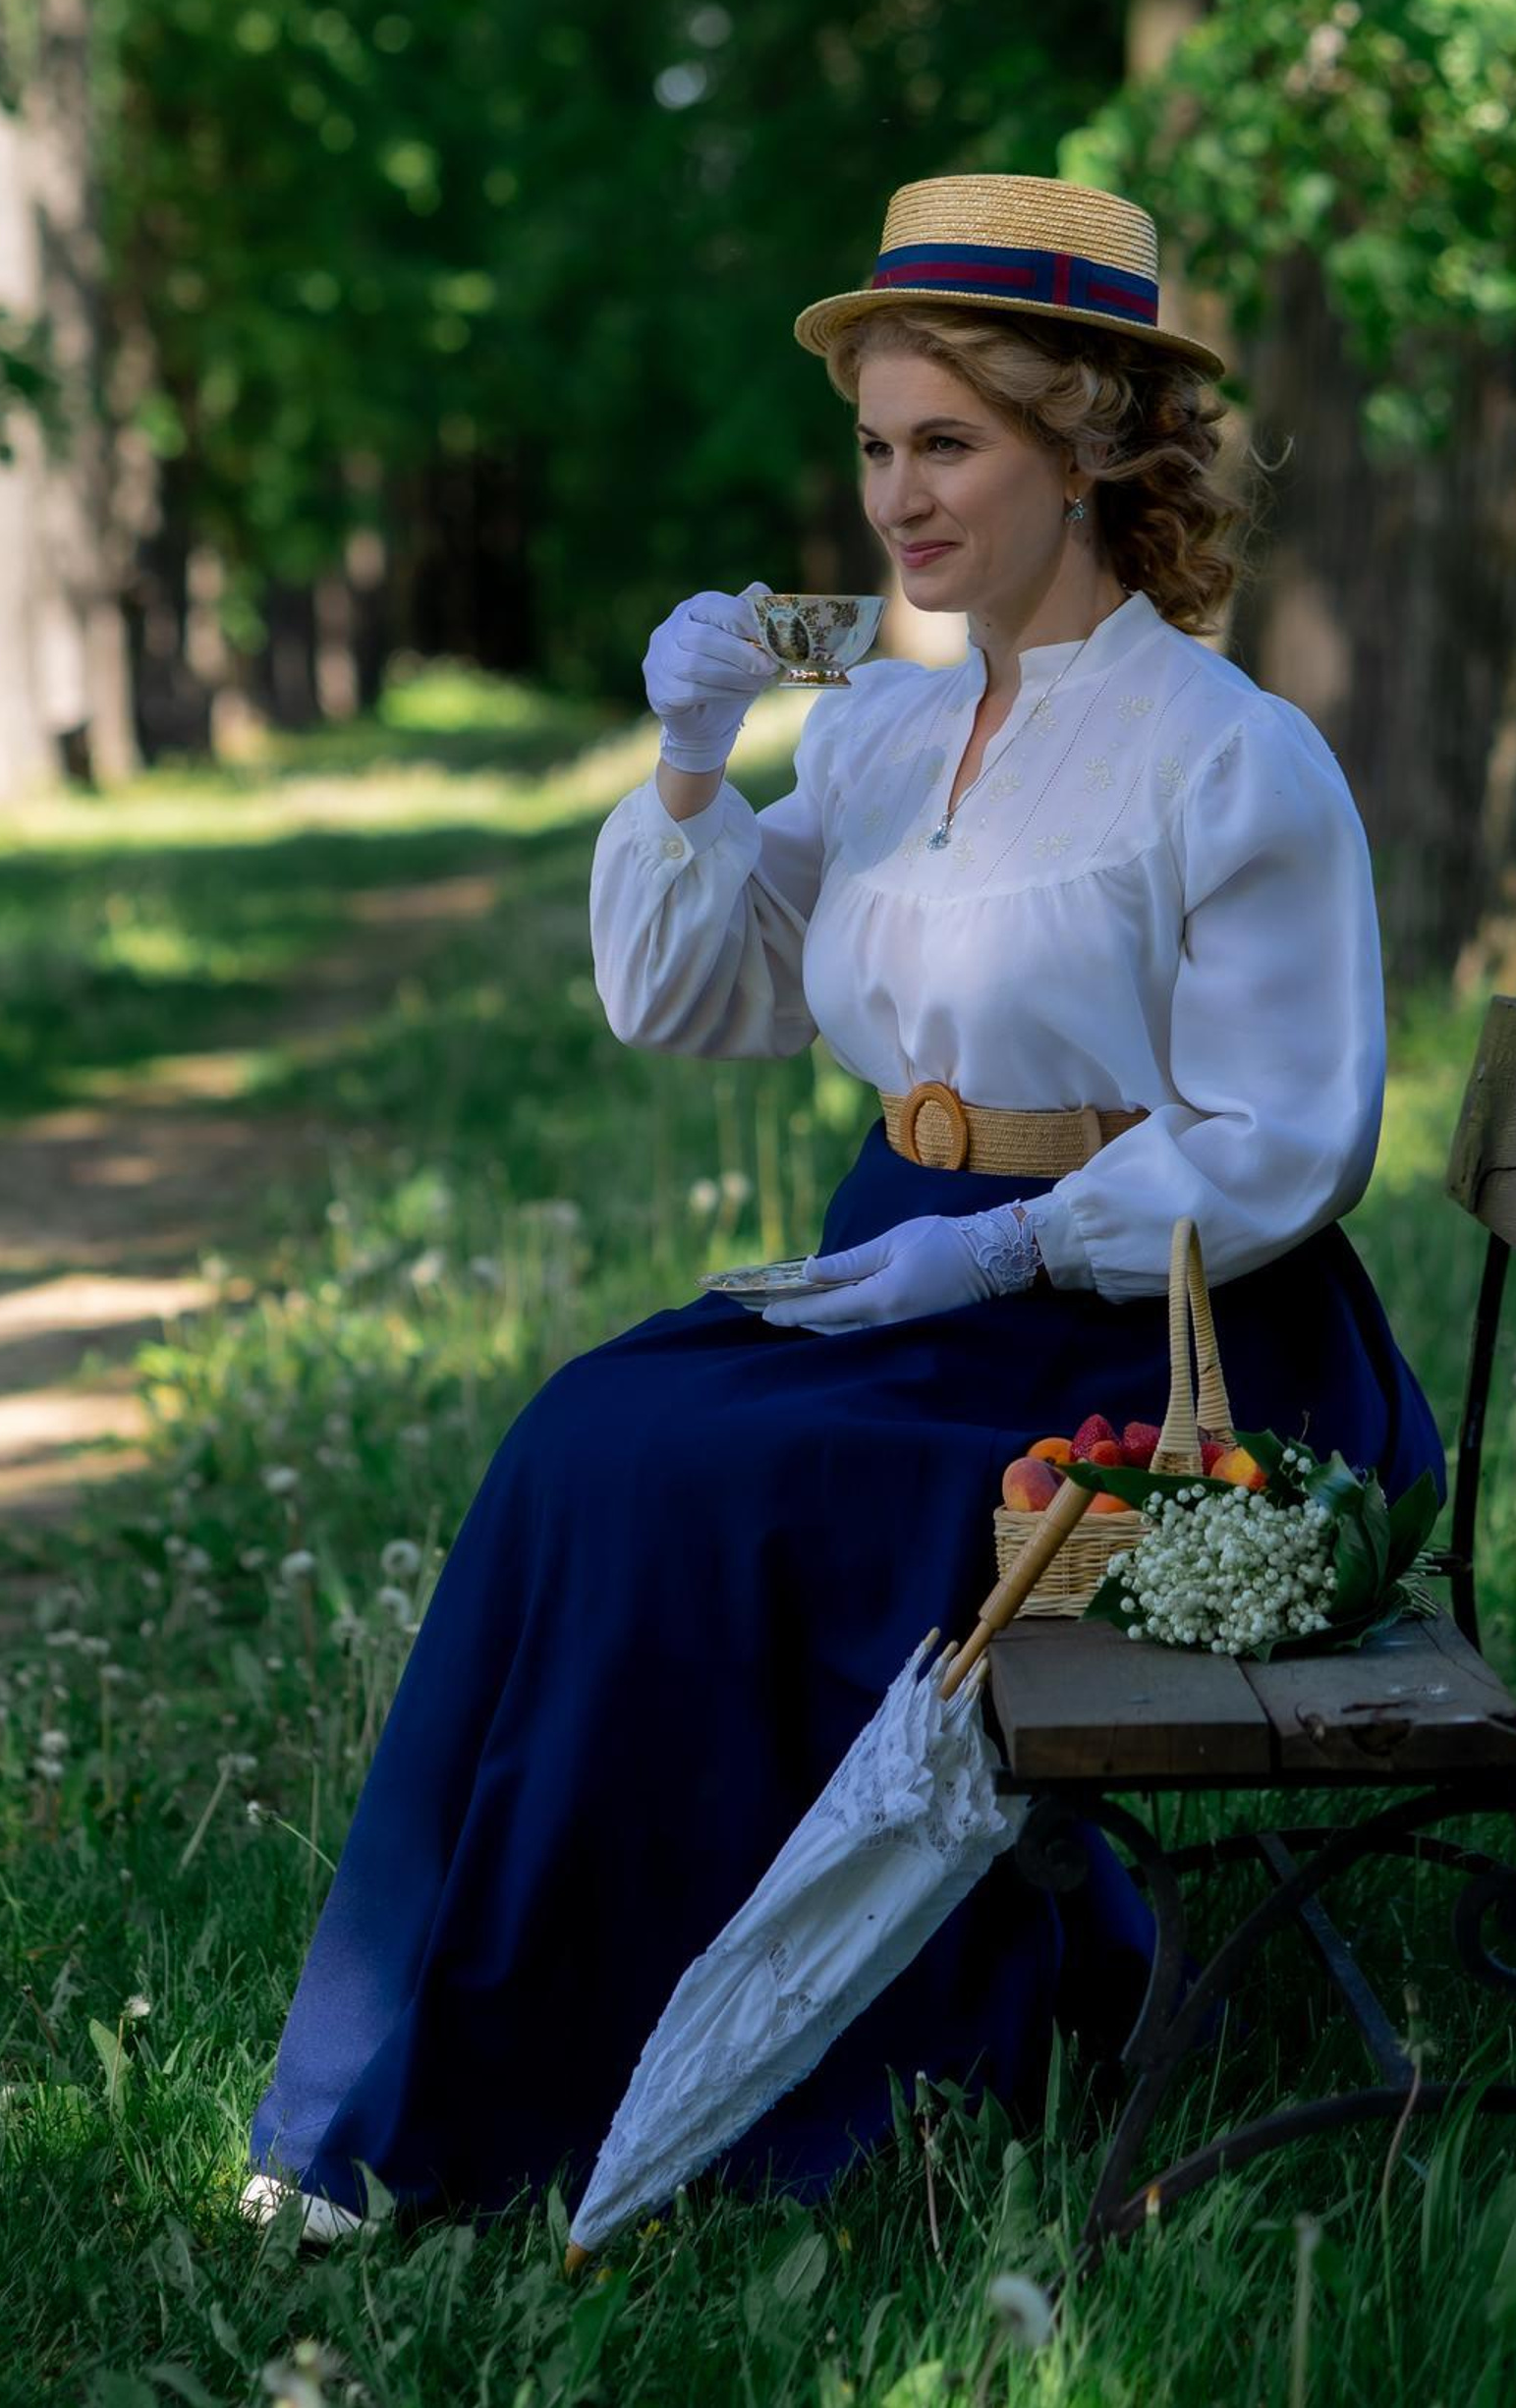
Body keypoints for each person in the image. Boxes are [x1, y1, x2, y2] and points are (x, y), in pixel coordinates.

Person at [239, 174, 1447, 2244]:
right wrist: (692, 767)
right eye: (875, 444)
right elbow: (689, 991)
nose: (895, 493)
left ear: (1085, 443)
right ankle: (400, 2082)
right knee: (580, 1434)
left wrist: (991, 1243)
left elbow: (1280, 1138)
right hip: (897, 1254)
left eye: (944, 442)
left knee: (689, 1489)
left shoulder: (1223, 756)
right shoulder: (889, 728)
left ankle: (679, 2085)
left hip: (1161, 1318)